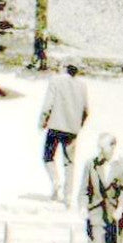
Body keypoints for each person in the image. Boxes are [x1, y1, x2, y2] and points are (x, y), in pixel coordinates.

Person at [39, 63, 88, 205]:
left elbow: (47, 105)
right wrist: (78, 125)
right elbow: (86, 110)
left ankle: (55, 181)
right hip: (72, 129)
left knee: (48, 156)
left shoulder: (55, 81)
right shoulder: (82, 85)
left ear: (65, 68)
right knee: (69, 162)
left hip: (55, 126)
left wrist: (42, 122)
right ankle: (68, 196)